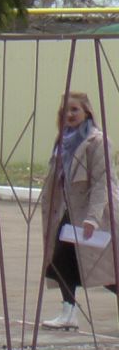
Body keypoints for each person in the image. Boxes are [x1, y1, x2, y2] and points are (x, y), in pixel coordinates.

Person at [38, 92, 118, 331]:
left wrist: (93, 218)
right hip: (69, 211)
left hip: (96, 212)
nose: (69, 115)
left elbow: (102, 182)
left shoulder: (97, 141)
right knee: (61, 261)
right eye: (65, 111)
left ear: (87, 112)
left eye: (75, 110)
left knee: (102, 269)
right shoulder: (63, 140)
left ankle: (68, 312)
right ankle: (68, 312)